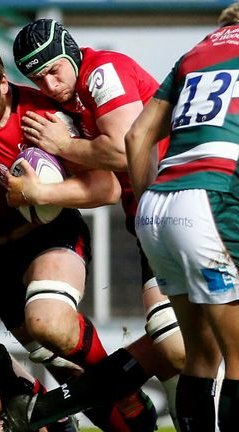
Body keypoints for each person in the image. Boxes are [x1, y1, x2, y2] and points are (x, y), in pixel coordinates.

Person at [12, 18, 185, 424]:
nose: (50, 85)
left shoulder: (102, 71)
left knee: (174, 338)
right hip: (151, 223)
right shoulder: (66, 106)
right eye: (39, 79)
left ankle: (56, 405)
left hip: (186, 208)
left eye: (54, 70)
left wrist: (63, 145)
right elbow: (105, 187)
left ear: (72, 53)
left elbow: (129, 152)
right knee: (173, 347)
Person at [126, 5, 239, 430]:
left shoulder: (196, 53)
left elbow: (136, 136)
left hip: (158, 208)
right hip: (209, 202)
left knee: (201, 356)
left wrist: (146, 206)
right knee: (238, 359)